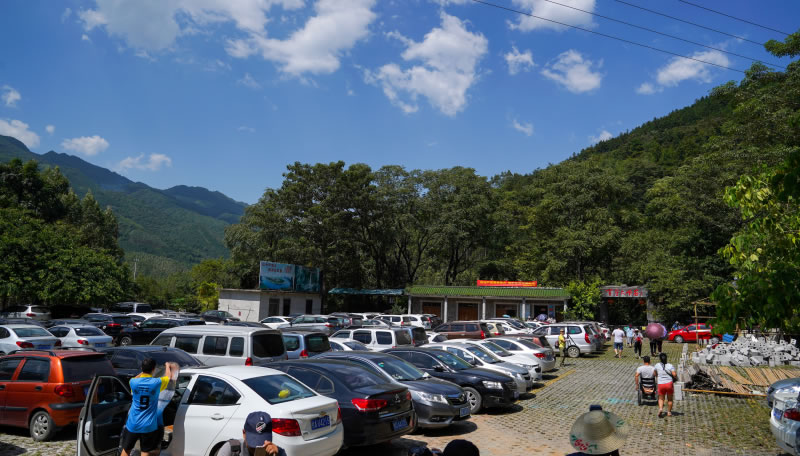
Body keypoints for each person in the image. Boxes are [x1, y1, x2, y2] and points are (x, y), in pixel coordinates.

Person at [121, 358, 174, 456]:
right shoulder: (156, 383)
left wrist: (143, 371)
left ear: (142, 368)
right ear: (153, 369)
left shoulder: (133, 382)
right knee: (145, 451)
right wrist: (167, 365)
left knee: (126, 449)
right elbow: (168, 377)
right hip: (148, 425)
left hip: (133, 423)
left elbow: (136, 378)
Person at [217, 411, 282, 456]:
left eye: (262, 442)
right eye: (254, 442)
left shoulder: (276, 452)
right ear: (244, 434)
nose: (257, 448)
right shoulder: (231, 449)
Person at [654, 353, 677, 418]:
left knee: (661, 398)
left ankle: (661, 409)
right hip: (669, 383)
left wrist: (658, 376)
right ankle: (669, 412)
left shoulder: (657, 365)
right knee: (670, 399)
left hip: (661, 384)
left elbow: (655, 373)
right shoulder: (670, 365)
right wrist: (675, 376)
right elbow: (674, 374)